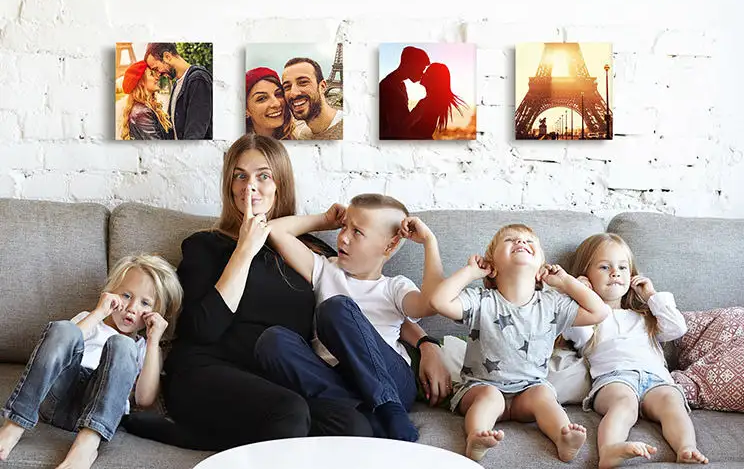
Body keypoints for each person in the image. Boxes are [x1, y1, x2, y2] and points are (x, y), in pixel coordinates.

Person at [161, 135, 448, 450]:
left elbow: (373, 308)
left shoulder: (318, 254)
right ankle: (193, 436)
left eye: (263, 175)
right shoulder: (206, 245)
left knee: (349, 412)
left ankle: (381, 407)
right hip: (232, 373)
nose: (249, 186)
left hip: (294, 382)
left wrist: (426, 343)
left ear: (280, 184)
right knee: (288, 372)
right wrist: (245, 248)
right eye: (239, 176)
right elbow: (202, 328)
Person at [256, 194, 449, 442]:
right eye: (344, 226)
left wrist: (429, 242)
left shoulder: (394, 287)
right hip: (336, 380)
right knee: (272, 341)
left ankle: (388, 410)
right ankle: (364, 416)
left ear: (389, 247)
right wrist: (324, 220)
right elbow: (273, 230)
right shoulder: (325, 269)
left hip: (391, 382)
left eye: (357, 232)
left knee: (335, 309)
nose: (343, 237)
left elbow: (432, 304)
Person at [428, 224, 610, 462]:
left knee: (543, 395)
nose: (521, 243)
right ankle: (476, 437)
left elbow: (600, 311)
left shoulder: (552, 303)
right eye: (511, 240)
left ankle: (563, 437)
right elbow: (438, 301)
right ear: (492, 267)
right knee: (490, 397)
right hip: (481, 386)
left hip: (528, 391)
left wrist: (565, 282)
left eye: (528, 241)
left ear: (540, 269)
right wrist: (470, 273)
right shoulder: (482, 301)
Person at [0, 254, 182, 469]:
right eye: (126, 295)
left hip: (100, 410)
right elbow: (61, 346)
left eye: (145, 303)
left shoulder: (144, 347)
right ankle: (15, 423)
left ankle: (87, 445)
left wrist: (153, 342)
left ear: (157, 313)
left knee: (123, 345)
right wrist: (98, 312)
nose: (132, 308)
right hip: (58, 397)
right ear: (110, 292)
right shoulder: (89, 319)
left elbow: (145, 400)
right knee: (63, 329)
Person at [562, 233, 708, 468]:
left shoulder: (644, 316)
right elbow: (577, 333)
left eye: (622, 267)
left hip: (657, 380)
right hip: (615, 379)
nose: (615, 273)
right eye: (604, 267)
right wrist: (580, 294)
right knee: (624, 404)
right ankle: (609, 450)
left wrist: (651, 296)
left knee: (672, 403)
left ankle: (686, 448)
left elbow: (677, 328)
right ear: (585, 274)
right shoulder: (589, 318)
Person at [145, 43, 213, 140]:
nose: (158, 74)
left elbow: (195, 133)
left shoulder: (198, 80)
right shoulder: (177, 84)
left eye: (156, 68)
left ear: (167, 56)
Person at [282, 57, 342, 140]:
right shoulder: (303, 135)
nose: (293, 93)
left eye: (303, 82)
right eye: (287, 86)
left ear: (322, 87)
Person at [379, 46, 430, 140]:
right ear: (409, 64)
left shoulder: (400, 85)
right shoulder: (388, 87)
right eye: (421, 68)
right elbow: (397, 130)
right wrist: (420, 108)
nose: (422, 73)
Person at [406, 63, 466, 140]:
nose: (423, 73)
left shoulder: (427, 103)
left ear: (433, 79)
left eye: (427, 72)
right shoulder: (434, 102)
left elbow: (405, 126)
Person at [245, 67, 306, 139]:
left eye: (278, 94)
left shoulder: (302, 136)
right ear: (246, 110)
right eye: (262, 98)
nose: (277, 103)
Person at [119, 60, 172, 140]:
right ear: (142, 82)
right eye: (152, 74)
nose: (157, 77)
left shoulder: (143, 108)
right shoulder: (142, 113)